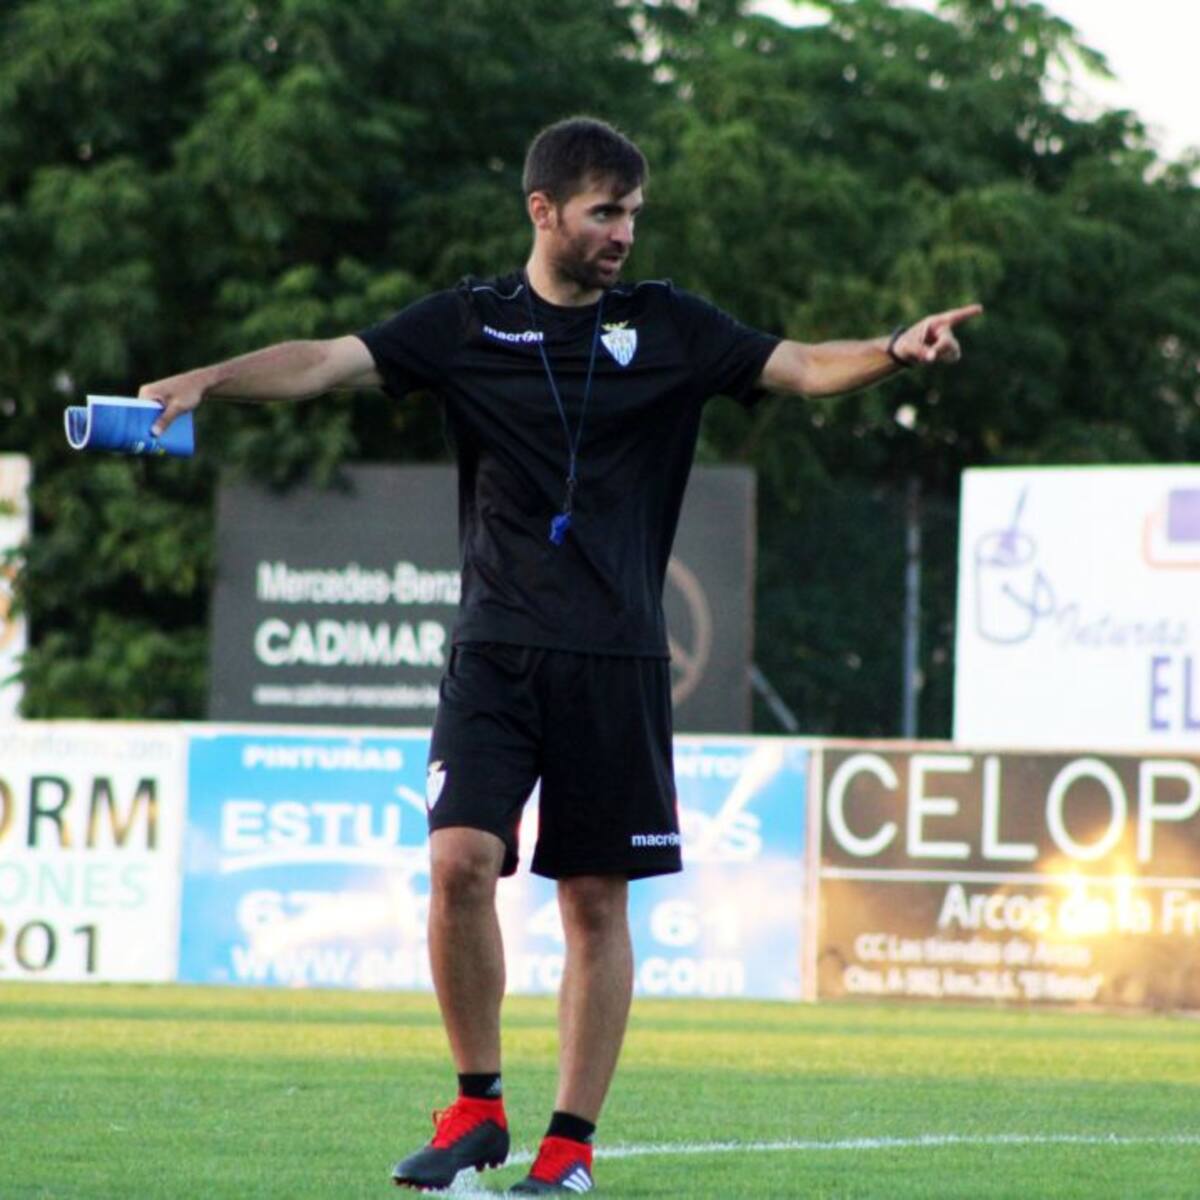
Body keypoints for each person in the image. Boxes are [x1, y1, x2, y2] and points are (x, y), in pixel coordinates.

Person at [142, 116, 980, 1194]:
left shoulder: (670, 326)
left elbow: (805, 366)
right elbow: (326, 363)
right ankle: (474, 1109)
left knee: (594, 902)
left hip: (619, 659)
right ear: (544, 211)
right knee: (458, 866)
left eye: (633, 211)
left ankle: (568, 1146)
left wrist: (892, 349)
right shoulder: (467, 324)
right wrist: (209, 377)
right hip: (495, 651)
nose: (624, 231)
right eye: (604, 212)